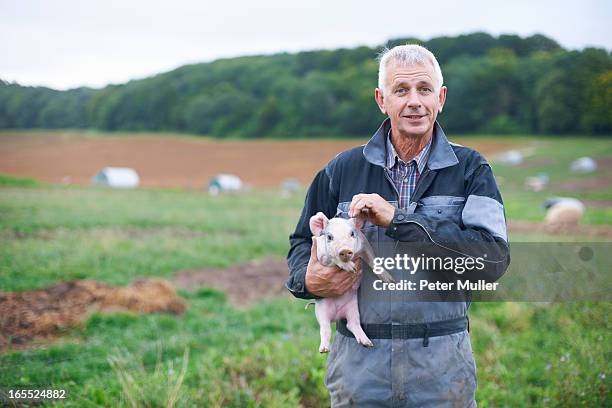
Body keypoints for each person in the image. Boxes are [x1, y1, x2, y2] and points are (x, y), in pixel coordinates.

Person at [286, 44, 510, 407]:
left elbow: (494, 260)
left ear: (442, 97)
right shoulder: (342, 170)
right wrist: (308, 280)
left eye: (424, 89)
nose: (414, 102)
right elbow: (300, 243)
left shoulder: (471, 169)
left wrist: (400, 221)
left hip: (441, 368)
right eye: (401, 90)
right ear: (381, 99)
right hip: (360, 370)